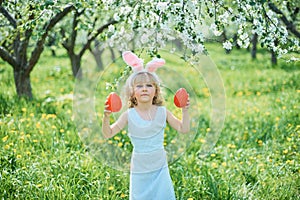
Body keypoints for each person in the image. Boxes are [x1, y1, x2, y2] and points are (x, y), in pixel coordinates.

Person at [102, 51, 190, 200]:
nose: (144, 88)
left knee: (163, 195)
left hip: (159, 165)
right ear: (132, 92)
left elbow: (183, 128)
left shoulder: (163, 112)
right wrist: (106, 117)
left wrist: (185, 110)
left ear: (155, 91)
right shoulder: (129, 115)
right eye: (139, 86)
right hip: (140, 167)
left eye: (149, 85)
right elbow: (108, 133)